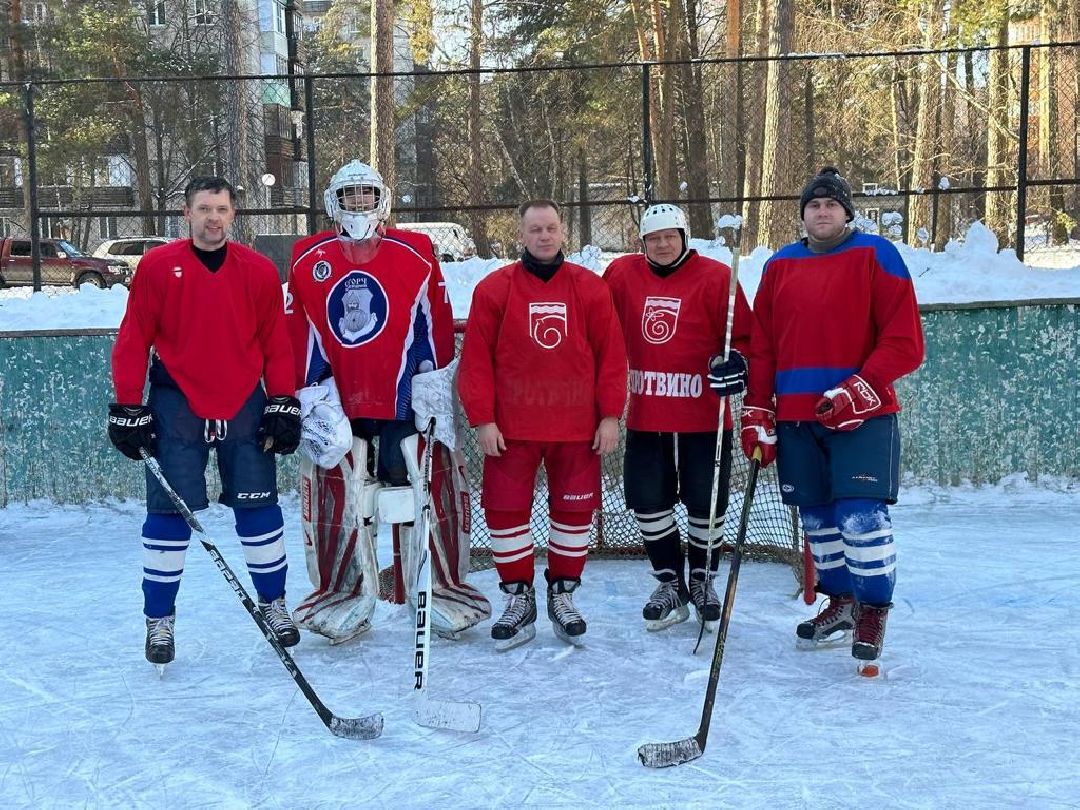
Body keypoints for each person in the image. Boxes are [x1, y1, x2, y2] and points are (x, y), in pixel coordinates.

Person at [285, 160, 489, 643]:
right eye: (350, 195)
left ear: (382, 199)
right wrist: (312, 393)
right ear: (335, 200)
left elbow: (432, 324)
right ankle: (342, 595)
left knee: (426, 483)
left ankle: (441, 591)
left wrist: (432, 385)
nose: (359, 205)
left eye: (366, 195)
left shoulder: (414, 252)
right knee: (341, 493)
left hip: (399, 404)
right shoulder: (306, 256)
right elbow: (303, 332)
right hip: (341, 405)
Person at [108, 175, 302, 668]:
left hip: (244, 402)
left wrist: (283, 399)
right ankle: (159, 618)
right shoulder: (156, 266)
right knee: (169, 516)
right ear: (186, 214)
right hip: (177, 404)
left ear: (234, 215)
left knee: (259, 509)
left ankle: (274, 605)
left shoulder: (257, 271)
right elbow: (134, 337)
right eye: (203, 208)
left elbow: (276, 343)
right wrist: (128, 404)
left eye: (221, 209)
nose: (213, 217)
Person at [740, 166, 924, 669]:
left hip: (861, 416)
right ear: (802, 214)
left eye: (831, 205)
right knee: (819, 521)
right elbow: (763, 347)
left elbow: (906, 342)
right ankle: (840, 602)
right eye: (813, 205)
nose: (822, 212)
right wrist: (758, 407)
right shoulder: (780, 266)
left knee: (860, 518)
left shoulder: (876, 255)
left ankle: (873, 609)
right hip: (798, 418)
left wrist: (858, 388)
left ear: (847, 212)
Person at [458, 199, 628, 650]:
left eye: (551, 228)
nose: (544, 236)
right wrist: (482, 420)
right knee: (504, 511)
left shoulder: (590, 288)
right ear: (521, 235)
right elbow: (476, 362)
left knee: (573, 513)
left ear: (562, 232)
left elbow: (612, 355)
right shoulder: (495, 289)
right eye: (535, 229)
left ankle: (562, 593)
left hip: (577, 427)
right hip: (511, 429)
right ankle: (519, 597)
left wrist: (610, 414)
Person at [604, 203, 752, 632]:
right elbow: (599, 326)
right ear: (642, 243)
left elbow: (744, 337)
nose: (663, 244)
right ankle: (670, 582)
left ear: (685, 237)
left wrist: (738, 362)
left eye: (670, 236)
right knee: (649, 502)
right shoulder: (620, 275)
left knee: (706, 502)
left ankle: (703, 579)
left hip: (705, 414)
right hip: (646, 412)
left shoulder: (717, 278)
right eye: (654, 238)